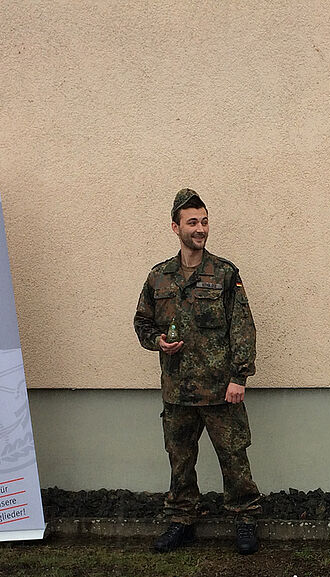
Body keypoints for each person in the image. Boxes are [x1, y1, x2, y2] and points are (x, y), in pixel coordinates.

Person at [134, 189, 262, 554]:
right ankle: (181, 520)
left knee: (234, 457)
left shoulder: (224, 273)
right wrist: (158, 341)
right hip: (178, 390)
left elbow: (242, 326)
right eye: (193, 222)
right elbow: (142, 322)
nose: (200, 229)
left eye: (204, 221)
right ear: (175, 227)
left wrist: (240, 376)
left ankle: (245, 518)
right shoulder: (159, 277)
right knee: (180, 459)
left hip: (221, 388)